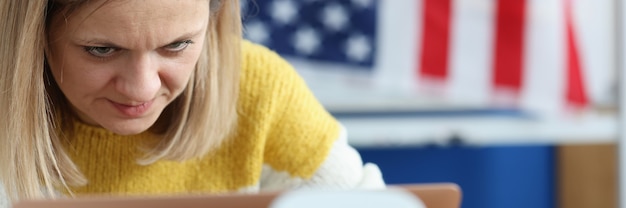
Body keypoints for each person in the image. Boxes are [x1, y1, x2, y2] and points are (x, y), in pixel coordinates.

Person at [0, 0, 385, 206]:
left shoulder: (257, 88)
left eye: (177, 45)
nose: (141, 89)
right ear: (35, 35)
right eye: (101, 49)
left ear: (212, 24)